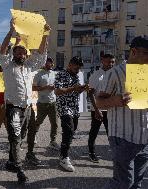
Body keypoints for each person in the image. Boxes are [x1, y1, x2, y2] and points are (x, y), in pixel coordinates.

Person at [0, 19, 50, 183]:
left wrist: (45, 35)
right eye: (18, 52)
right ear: (14, 53)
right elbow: (2, 50)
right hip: (13, 108)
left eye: (23, 52)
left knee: (21, 135)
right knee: (15, 137)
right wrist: (10, 32)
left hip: (27, 107)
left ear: (26, 55)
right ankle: (20, 169)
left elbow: (41, 55)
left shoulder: (30, 66)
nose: (20, 54)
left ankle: (11, 161)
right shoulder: (7, 65)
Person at [96, 36, 148, 189]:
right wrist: (116, 100)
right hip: (122, 137)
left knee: (137, 183)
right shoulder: (115, 73)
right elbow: (99, 102)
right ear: (133, 51)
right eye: (146, 53)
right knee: (123, 183)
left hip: (144, 138)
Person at [54, 56, 89, 172]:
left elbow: (77, 90)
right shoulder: (60, 74)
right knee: (68, 130)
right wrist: (73, 88)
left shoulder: (76, 75)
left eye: (79, 67)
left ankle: (63, 152)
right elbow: (57, 91)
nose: (78, 69)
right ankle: (64, 158)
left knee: (71, 131)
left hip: (74, 107)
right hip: (64, 106)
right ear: (69, 64)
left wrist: (83, 88)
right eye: (76, 67)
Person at [87, 54, 115, 163]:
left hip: (111, 109)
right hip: (98, 109)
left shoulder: (115, 74)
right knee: (94, 132)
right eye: (108, 62)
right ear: (102, 61)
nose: (111, 64)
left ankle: (115, 154)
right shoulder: (96, 76)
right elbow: (91, 94)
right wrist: (97, 110)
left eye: (112, 62)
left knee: (112, 133)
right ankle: (91, 153)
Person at [32, 57, 59, 150]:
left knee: (55, 123)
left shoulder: (54, 74)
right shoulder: (39, 74)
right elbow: (33, 88)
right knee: (38, 122)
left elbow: (58, 86)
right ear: (45, 63)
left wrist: (56, 87)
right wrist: (45, 87)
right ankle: (32, 137)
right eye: (48, 63)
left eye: (51, 63)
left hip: (53, 102)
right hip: (42, 103)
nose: (50, 64)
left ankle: (53, 141)